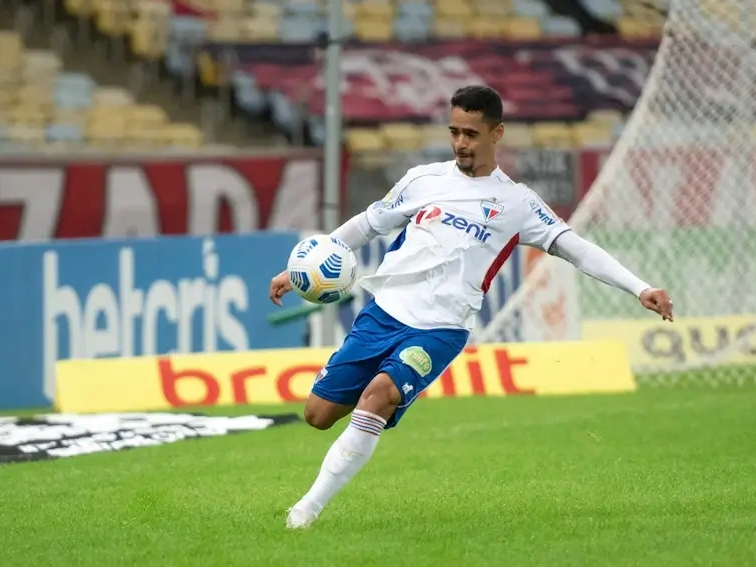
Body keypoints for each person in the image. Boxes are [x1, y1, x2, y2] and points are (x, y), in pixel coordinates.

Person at [269, 85, 674, 529]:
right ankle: (323, 477)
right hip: (383, 314)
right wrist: (306, 267)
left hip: (441, 329)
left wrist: (640, 287)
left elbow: (576, 249)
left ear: (496, 134)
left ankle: (305, 510)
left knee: (378, 396)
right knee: (318, 415)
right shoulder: (423, 180)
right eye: (455, 132)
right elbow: (368, 224)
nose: (461, 143)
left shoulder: (518, 203)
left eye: (471, 134)